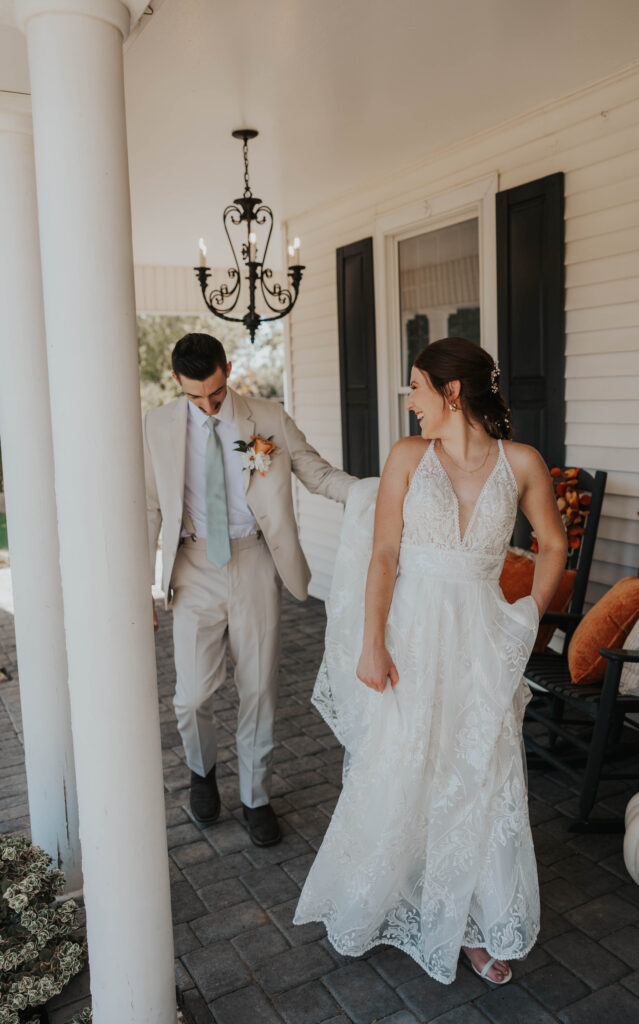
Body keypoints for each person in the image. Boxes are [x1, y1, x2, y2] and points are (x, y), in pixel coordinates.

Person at [294, 337, 567, 984]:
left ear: (452, 392)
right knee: (400, 765)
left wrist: (526, 618)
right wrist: (371, 642)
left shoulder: (521, 461)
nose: (408, 400)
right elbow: (383, 554)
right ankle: (376, 896)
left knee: (480, 773)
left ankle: (469, 924)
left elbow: (552, 545)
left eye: (416, 387)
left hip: (482, 639)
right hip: (411, 634)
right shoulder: (408, 456)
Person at [143, 333, 356, 846]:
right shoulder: (156, 426)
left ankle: (256, 796)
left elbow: (317, 473)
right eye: (196, 397)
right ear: (178, 382)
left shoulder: (268, 418)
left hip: (256, 560)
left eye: (216, 393)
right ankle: (202, 772)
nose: (209, 406)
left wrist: (373, 491)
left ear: (228, 369)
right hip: (193, 565)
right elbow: (149, 507)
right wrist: (138, 589)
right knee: (191, 697)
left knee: (258, 688)